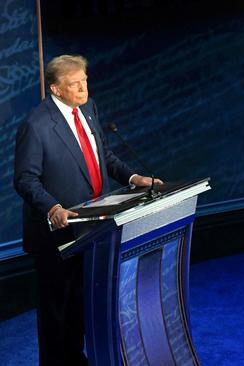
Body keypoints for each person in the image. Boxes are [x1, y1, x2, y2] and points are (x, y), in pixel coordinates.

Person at [13, 55, 161, 365]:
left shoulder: (88, 109)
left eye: (85, 80)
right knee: (57, 309)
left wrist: (134, 178)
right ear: (55, 88)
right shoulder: (36, 125)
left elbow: (102, 155)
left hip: (95, 226)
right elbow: (25, 179)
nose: (83, 88)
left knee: (81, 302)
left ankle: (76, 359)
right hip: (57, 233)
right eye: (75, 84)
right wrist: (52, 206)